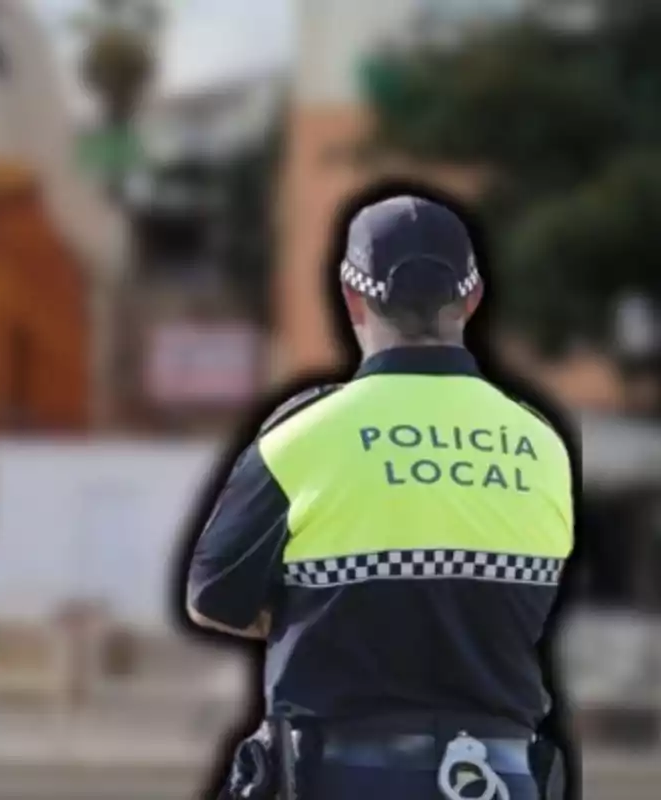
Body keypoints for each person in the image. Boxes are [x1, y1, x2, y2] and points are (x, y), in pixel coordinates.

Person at [185, 195, 575, 800]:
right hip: (500, 777)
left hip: (341, 775)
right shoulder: (542, 447)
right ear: (471, 299)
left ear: (351, 298)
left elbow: (212, 598)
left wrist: (324, 614)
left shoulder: (300, 439)